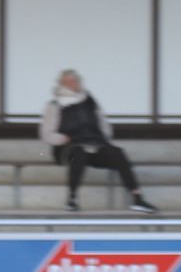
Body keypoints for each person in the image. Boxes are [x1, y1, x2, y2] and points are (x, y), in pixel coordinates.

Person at [39, 69, 158, 213]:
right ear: (62, 84)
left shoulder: (90, 101)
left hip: (94, 144)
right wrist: (65, 138)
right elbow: (46, 134)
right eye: (69, 82)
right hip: (67, 148)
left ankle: (137, 198)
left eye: (75, 81)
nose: (73, 84)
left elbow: (103, 124)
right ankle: (72, 199)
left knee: (117, 153)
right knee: (79, 152)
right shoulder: (54, 105)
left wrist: (103, 139)